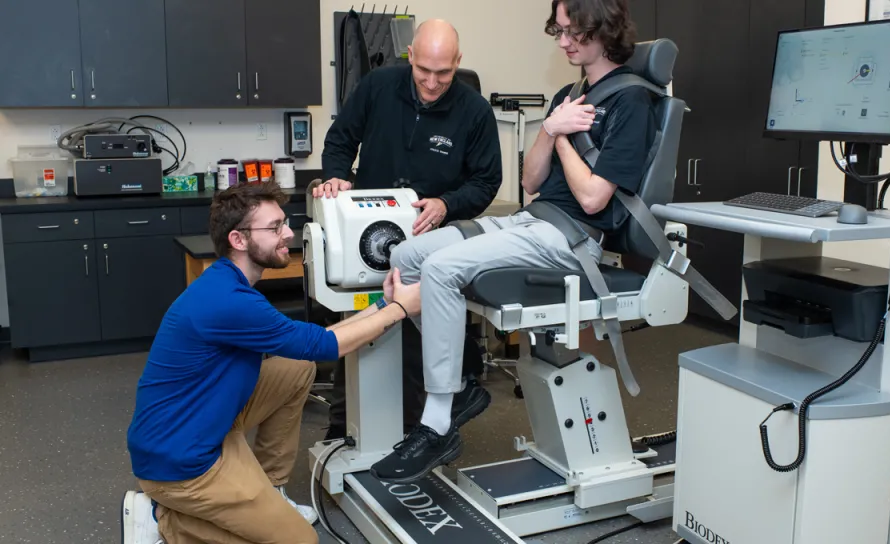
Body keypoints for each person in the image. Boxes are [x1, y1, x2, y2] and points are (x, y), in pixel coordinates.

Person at [368, 0, 655, 484]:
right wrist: (550, 126)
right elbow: (529, 179)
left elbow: (591, 198)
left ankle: (437, 421)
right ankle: (459, 385)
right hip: (530, 219)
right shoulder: (570, 92)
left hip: (569, 237)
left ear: (601, 29)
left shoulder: (632, 102)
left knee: (441, 270)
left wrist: (560, 135)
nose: (562, 41)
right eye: (558, 31)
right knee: (406, 254)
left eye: (570, 32)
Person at [120, 182, 421, 544]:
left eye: (284, 223)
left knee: (295, 369)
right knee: (300, 541)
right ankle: (162, 520)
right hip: (181, 462)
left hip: (205, 421)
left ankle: (270, 489)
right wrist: (402, 309)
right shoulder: (230, 301)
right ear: (239, 239)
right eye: (275, 227)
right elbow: (327, 344)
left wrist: (384, 306)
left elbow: (311, 345)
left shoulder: (228, 281)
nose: (289, 234)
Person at [311, 18, 502, 441]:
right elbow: (340, 139)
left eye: (444, 73)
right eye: (423, 71)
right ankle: (344, 433)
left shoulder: (475, 112)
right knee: (360, 332)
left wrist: (447, 203)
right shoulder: (378, 87)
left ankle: (420, 439)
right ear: (410, 56)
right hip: (366, 239)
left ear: (458, 64)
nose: (432, 83)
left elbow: (486, 182)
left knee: (420, 347)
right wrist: (338, 177)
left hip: (428, 244)